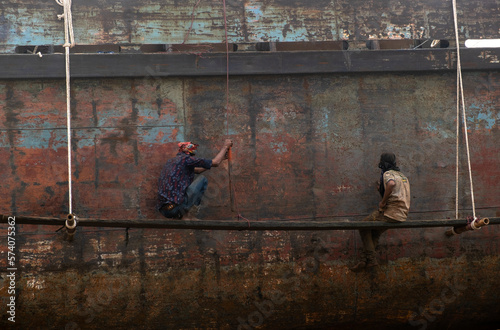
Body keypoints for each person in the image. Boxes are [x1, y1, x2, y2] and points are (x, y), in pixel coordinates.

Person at [351, 152, 410, 272]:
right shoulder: (402, 176)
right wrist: (380, 190)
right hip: (401, 214)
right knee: (374, 233)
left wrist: (382, 202)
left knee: (363, 226)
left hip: (390, 213)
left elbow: (391, 184)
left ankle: (372, 260)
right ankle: (364, 261)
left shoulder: (388, 174)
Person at [157, 139, 233, 220]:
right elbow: (215, 162)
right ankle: (187, 214)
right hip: (176, 208)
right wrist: (225, 146)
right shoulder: (186, 159)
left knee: (184, 191)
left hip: (164, 211)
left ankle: (180, 215)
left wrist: (221, 159)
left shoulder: (172, 162)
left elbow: (198, 170)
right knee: (203, 179)